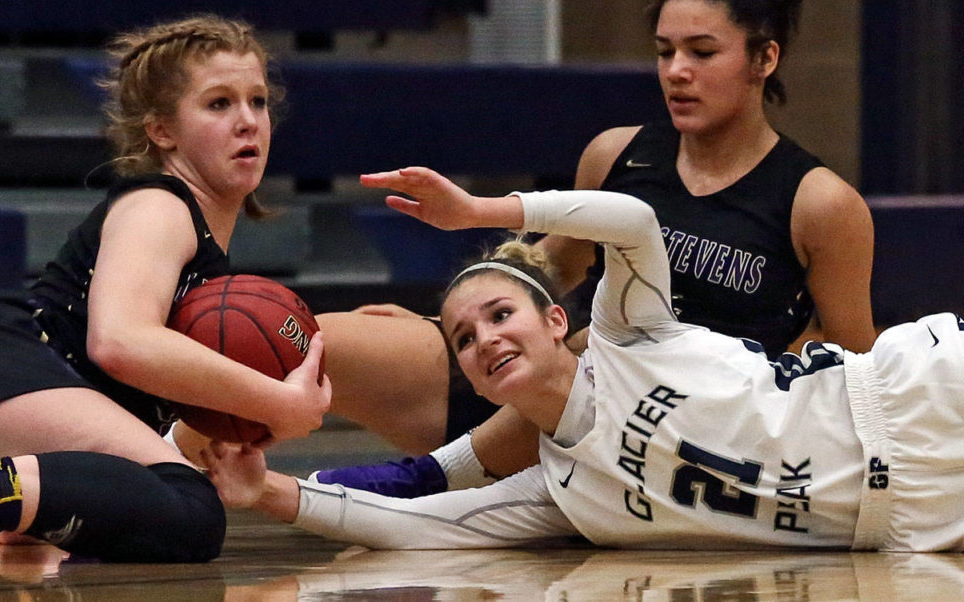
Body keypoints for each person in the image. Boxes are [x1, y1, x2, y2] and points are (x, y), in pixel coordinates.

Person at [310, 0, 876, 492]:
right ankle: (217, 475)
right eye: (665, 51)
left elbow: (854, 368)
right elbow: (548, 269)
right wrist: (460, 313)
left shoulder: (821, 203)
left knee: (598, 375)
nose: (677, 71)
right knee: (290, 337)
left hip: (679, 456)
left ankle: (431, 478)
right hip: (543, 392)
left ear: (764, 59)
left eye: (702, 52)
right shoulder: (617, 155)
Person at [202, 167, 963, 552]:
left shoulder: (628, 332)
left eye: (501, 315)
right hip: (900, 520)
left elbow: (631, 220)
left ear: (555, 318)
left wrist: (481, 212)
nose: (487, 340)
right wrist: (266, 492)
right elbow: (423, 524)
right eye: (464, 339)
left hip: (916, 391)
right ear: (465, 375)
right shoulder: (562, 493)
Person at [0, 14, 331, 562]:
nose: (248, 121)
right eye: (219, 103)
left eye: (258, 102)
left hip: (18, 373)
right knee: (188, 513)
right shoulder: (161, 203)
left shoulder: (209, 250)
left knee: (166, 503)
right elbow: (119, 342)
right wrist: (280, 403)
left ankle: (14, 500)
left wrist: (227, 439)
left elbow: (145, 410)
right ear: (161, 131)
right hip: (4, 359)